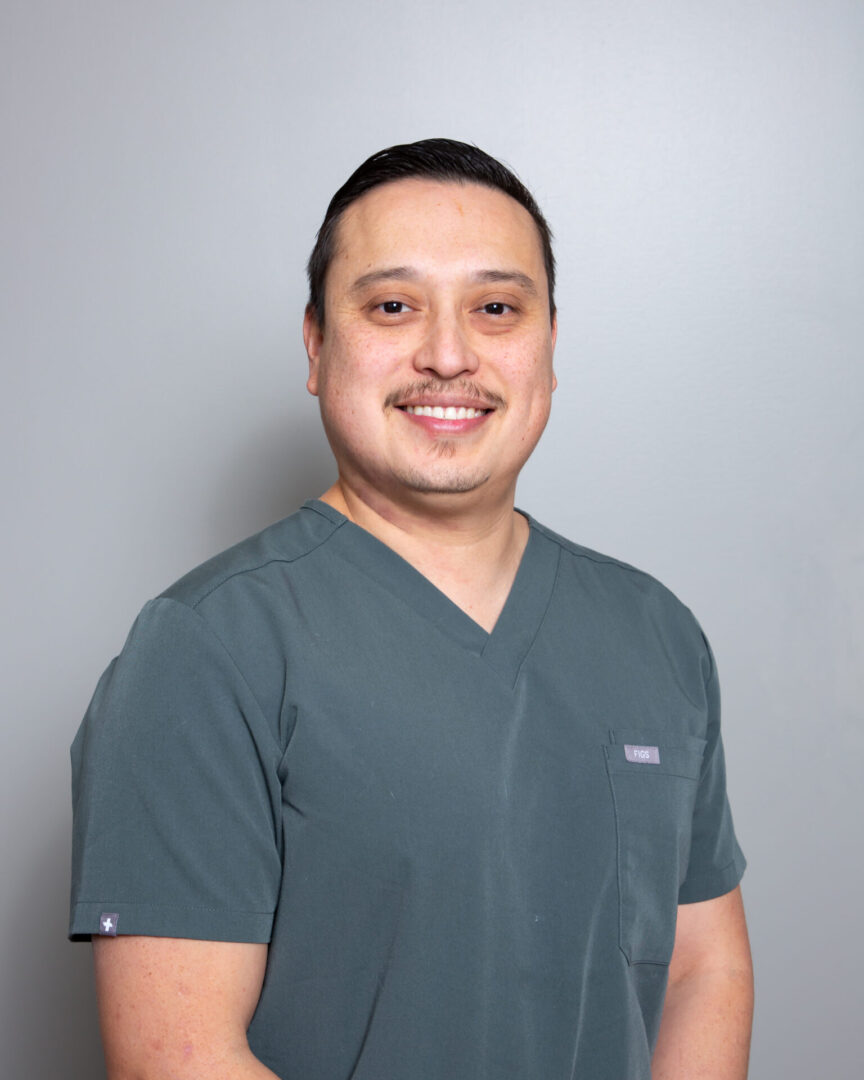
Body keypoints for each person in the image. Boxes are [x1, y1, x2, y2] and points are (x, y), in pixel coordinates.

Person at [70, 138, 753, 1079]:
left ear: (551, 346)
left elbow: (700, 971)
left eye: (497, 309)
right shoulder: (207, 649)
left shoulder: (656, 634)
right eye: (393, 306)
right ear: (316, 345)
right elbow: (176, 1060)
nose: (447, 355)